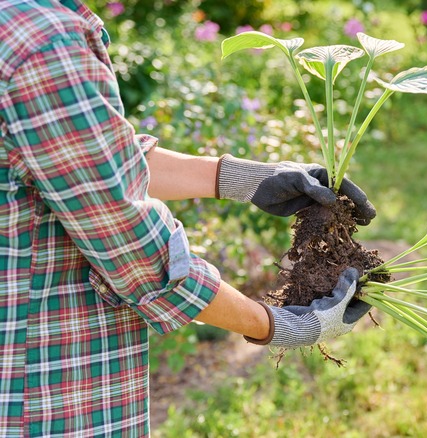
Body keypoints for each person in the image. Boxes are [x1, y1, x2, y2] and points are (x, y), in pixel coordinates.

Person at [0, 0, 376, 436]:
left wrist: (248, 178)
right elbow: (139, 253)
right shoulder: (43, 41)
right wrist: (281, 324)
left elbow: (90, 161)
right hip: (44, 397)